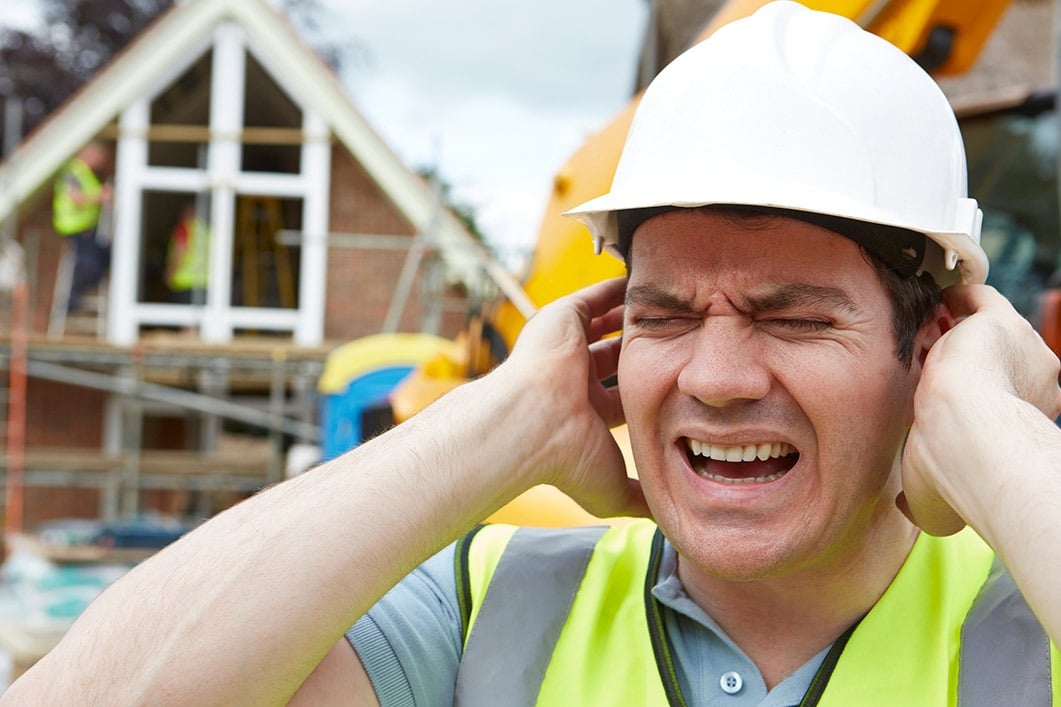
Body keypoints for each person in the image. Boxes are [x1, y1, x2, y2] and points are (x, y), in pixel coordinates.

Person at [6, 3, 1061, 704]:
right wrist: (500, 424)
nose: (715, 376)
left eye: (792, 318)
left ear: (929, 344)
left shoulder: (1022, 613)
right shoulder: (492, 606)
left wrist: (991, 436)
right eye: (662, 314)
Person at [52, 141, 113, 312]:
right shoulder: (73, 172)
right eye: (100, 158)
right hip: (74, 228)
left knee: (106, 255)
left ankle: (79, 294)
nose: (101, 163)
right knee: (88, 264)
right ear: (90, 155)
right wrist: (100, 196)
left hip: (86, 229)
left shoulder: (85, 174)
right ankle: (70, 303)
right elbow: (76, 199)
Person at [165, 202, 210, 305]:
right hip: (205, 283)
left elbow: (179, 252)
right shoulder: (207, 230)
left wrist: (170, 272)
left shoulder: (185, 228)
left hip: (185, 283)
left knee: (186, 318)